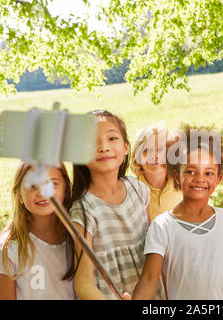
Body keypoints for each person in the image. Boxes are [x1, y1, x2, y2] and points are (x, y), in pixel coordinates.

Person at [128, 127, 223, 300]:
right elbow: (149, 279)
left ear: (218, 179)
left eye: (208, 173)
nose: (200, 178)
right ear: (177, 176)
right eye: (191, 171)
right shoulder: (162, 226)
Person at [69, 110, 165, 300]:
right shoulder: (84, 210)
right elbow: (83, 282)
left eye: (112, 138)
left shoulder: (138, 190)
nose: (104, 147)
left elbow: (153, 247)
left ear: (127, 147)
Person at [0, 162, 76, 300]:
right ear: (19, 194)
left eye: (52, 183)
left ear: (66, 190)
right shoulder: (6, 249)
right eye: (32, 186)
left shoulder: (79, 237)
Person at [131, 126, 183, 222]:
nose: (154, 156)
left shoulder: (181, 183)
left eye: (160, 150)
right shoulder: (132, 189)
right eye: (147, 150)